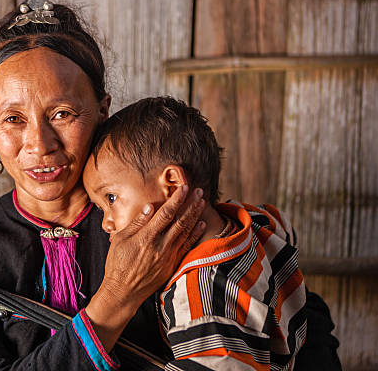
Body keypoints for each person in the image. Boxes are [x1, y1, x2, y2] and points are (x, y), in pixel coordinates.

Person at [0, 0, 340, 370]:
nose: (40, 144)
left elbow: (300, 324)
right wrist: (116, 298)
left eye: (63, 113)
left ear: (102, 111)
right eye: (13, 119)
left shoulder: (155, 214)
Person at [83, 96, 307, 370]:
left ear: (173, 184)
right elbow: (287, 233)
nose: (105, 222)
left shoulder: (199, 296)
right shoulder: (257, 219)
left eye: (111, 198)